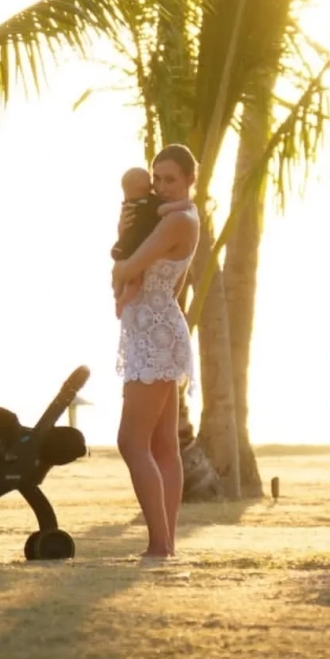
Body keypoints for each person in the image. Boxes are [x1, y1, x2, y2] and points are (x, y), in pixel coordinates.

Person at [112, 144, 201, 561]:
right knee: (164, 444)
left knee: (131, 441)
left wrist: (122, 258)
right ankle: (164, 544)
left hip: (155, 334)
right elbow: (169, 283)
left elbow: (129, 266)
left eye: (171, 179)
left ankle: (159, 544)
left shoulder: (178, 221)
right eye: (157, 178)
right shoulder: (172, 219)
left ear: (189, 180)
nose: (162, 187)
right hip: (155, 326)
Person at [111, 166, 192, 317]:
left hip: (123, 248)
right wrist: (184, 205)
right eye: (153, 181)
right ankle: (122, 302)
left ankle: (118, 292)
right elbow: (162, 210)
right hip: (134, 248)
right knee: (136, 280)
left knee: (124, 277)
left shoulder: (128, 204)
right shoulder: (147, 203)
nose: (155, 187)